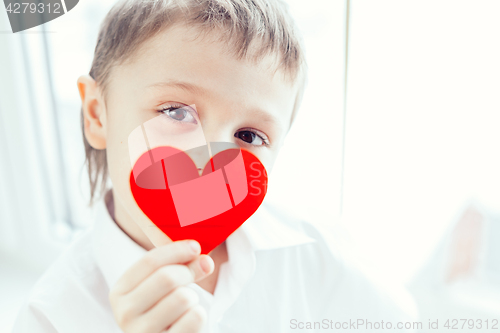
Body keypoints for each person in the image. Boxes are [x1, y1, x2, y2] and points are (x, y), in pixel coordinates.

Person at [12, 0, 418, 332]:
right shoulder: (49, 317)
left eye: (249, 136)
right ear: (98, 114)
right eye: (175, 111)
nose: (209, 159)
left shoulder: (315, 252)